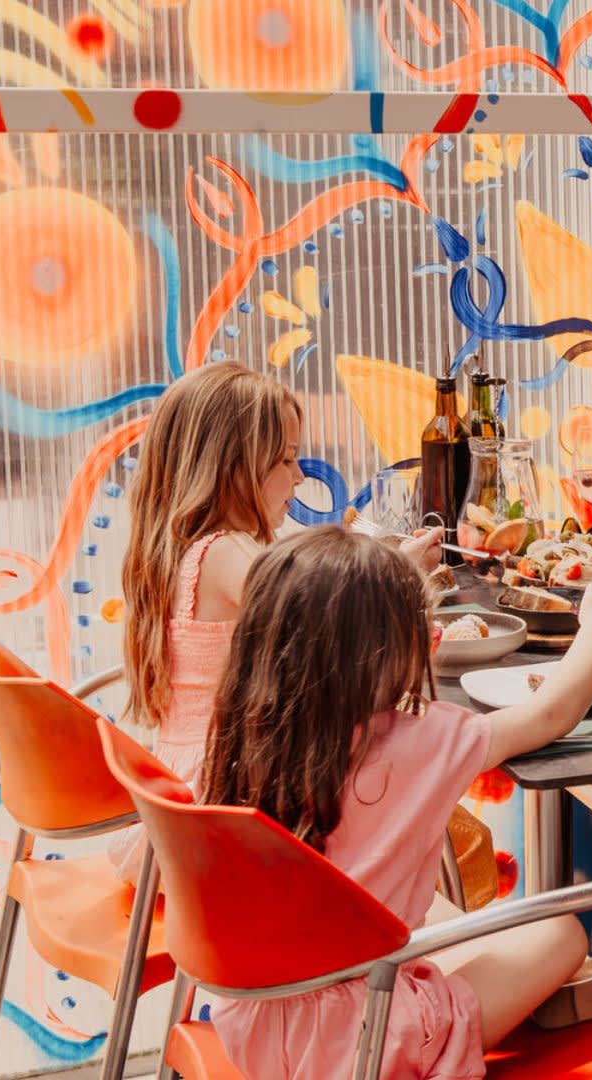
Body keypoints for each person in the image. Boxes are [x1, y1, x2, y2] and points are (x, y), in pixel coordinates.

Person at [200, 528, 592, 1078]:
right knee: (560, 931)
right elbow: (549, 714)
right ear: (384, 652)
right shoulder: (423, 739)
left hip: (255, 1022)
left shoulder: (244, 733)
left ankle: (554, 995)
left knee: (438, 915)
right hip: (373, 1043)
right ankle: (558, 994)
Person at [108, 361, 450, 883]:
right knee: (406, 784)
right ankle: (397, 947)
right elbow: (317, 613)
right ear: (233, 466)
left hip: (182, 813)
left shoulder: (186, 549)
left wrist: (383, 556)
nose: (298, 476)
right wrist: (397, 574)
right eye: (286, 459)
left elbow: (302, 581)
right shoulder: (222, 555)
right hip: (224, 827)